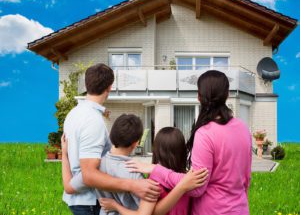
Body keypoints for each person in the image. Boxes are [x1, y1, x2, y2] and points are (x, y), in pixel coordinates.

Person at [126, 70, 252, 215]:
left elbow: (196, 187)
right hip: (240, 209)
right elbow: (246, 179)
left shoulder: (205, 134)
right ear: (227, 94)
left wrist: (156, 170)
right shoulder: (243, 128)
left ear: (199, 96)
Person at [62, 63, 160, 215]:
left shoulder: (73, 114)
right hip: (90, 201)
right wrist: (133, 185)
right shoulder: (92, 120)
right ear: (109, 87)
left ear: (87, 85)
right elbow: (89, 175)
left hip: (78, 195)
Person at [62, 118, 207, 215]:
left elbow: (68, 187)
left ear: (111, 135)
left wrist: (64, 154)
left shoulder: (93, 169)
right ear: (136, 143)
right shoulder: (138, 176)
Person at [99, 127, 208, 215]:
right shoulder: (189, 179)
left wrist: (116, 207)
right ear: (182, 151)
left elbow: (152, 213)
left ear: (157, 151)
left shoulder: (154, 182)